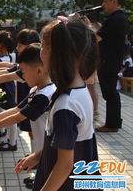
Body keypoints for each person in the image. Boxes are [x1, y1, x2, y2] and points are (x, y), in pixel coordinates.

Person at [15, 16, 100, 190]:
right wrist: (40, 155)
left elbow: (64, 165)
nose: (40, 51)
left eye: (43, 46)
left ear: (56, 54)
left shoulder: (65, 106)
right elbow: (71, 144)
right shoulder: (80, 91)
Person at [0, 44, 56, 189]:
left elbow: (18, 117)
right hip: (41, 144)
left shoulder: (46, 95)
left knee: (48, 168)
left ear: (39, 70)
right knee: (43, 165)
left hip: (47, 143)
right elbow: (16, 109)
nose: (22, 75)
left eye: (24, 71)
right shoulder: (36, 89)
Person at [95, 0, 129, 132]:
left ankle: (112, 124)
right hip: (113, 60)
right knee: (111, 93)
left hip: (109, 61)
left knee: (110, 93)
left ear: (114, 1)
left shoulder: (115, 19)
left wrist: (84, 27)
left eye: (105, 1)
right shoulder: (120, 18)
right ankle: (115, 121)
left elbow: (97, 37)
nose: (103, 4)